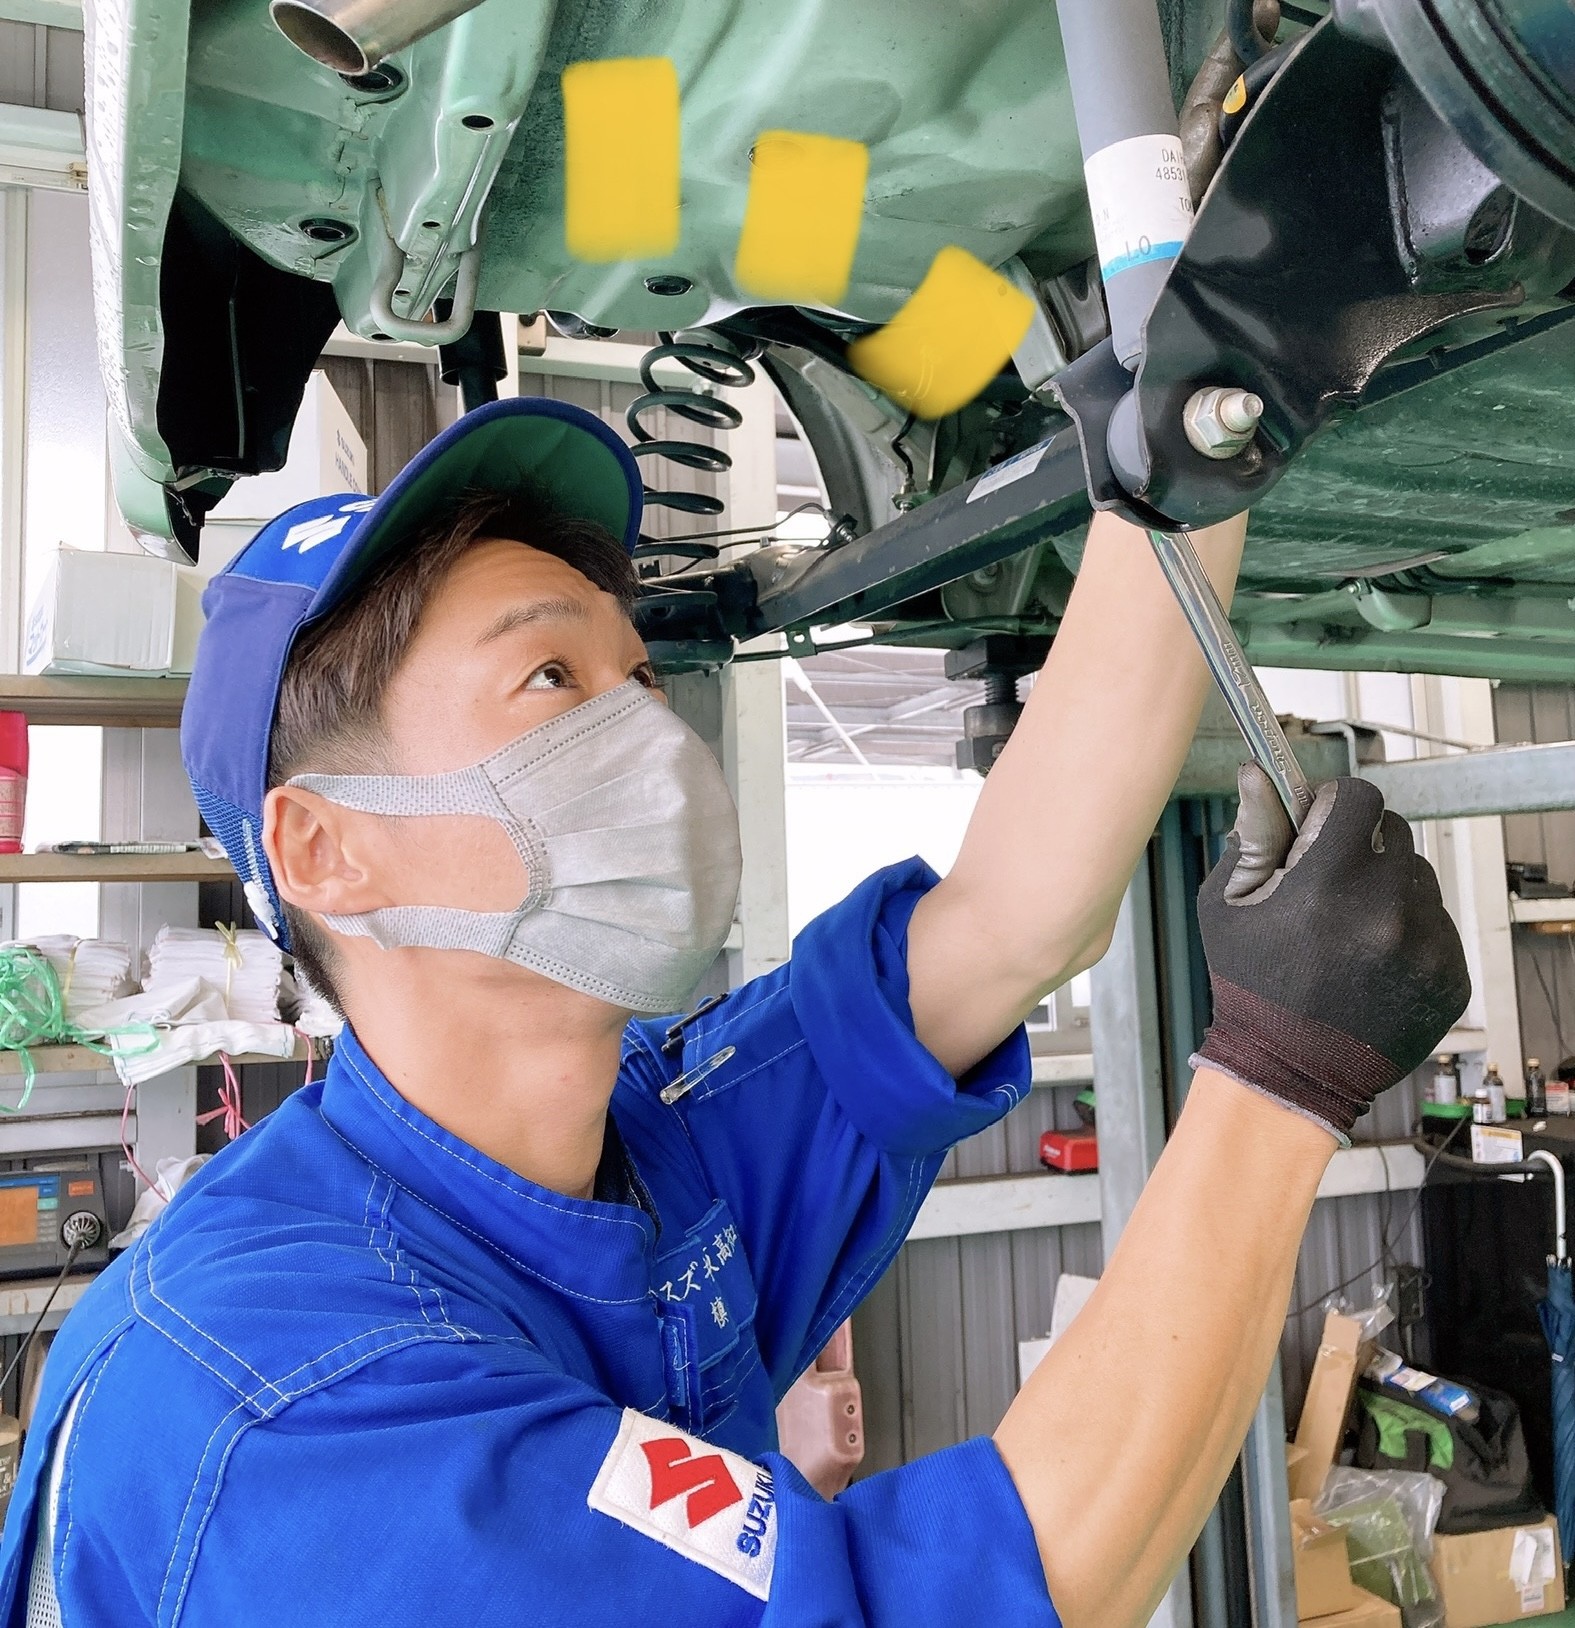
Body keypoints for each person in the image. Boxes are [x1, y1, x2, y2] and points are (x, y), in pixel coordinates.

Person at [0, 398, 1468, 1628]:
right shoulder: (284, 1408)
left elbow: (1012, 920)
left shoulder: (644, 1146)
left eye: (637, 673)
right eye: (552, 676)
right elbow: (998, 1589)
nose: (646, 728)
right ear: (329, 851)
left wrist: (1199, 421)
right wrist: (1284, 1073)